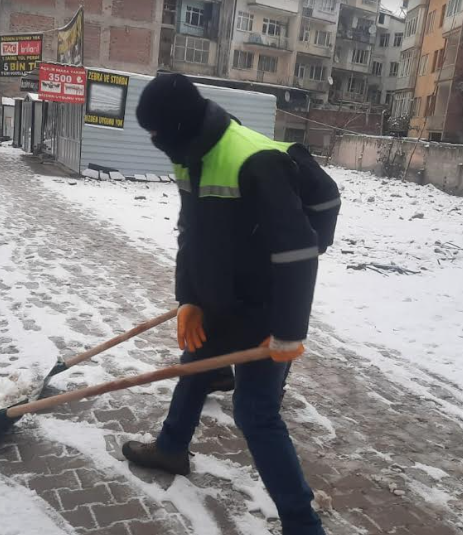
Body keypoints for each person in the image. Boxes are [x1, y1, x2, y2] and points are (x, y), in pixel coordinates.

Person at [121, 74, 339, 535]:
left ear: (178, 125)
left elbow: (299, 249)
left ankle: (303, 524)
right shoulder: (189, 156)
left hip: (266, 305)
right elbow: (191, 235)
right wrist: (189, 299)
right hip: (220, 296)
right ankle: (171, 448)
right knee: (194, 364)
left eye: (159, 133)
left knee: (255, 412)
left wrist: (289, 331)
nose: (156, 143)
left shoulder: (254, 159)